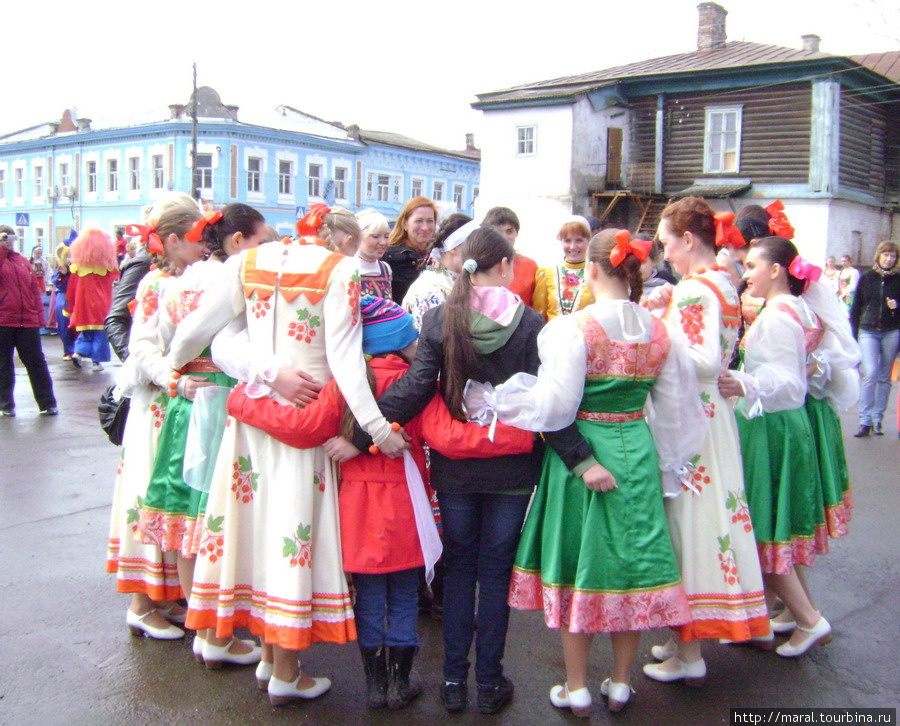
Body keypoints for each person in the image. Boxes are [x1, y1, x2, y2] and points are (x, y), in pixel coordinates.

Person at [227, 294, 535, 709]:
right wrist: (523, 435)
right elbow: (442, 435)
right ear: (397, 340)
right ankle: (401, 682)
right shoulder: (418, 383)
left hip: (357, 507)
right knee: (406, 595)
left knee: (369, 596)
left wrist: (238, 400)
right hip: (408, 506)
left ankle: (375, 686)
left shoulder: (343, 384)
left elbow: (301, 426)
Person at [344, 228, 595, 715]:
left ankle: (453, 682)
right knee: (495, 573)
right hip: (513, 465)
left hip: (455, 465)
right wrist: (581, 459)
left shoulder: (441, 319)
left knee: (458, 571)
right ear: (502, 267)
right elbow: (552, 405)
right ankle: (491, 682)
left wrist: (359, 435)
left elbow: (416, 388)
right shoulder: (532, 324)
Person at [163, 224, 407, 707]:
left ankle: (270, 660)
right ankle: (284, 670)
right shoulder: (338, 271)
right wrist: (378, 430)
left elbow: (199, 334)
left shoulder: (245, 264)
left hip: (253, 423)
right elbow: (344, 360)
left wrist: (174, 363)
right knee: (292, 536)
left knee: (255, 531)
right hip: (306, 421)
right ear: (336, 241)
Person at [479, 228, 703, 715]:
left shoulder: (573, 328)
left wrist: (505, 401)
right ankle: (620, 683)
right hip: (637, 453)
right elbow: (678, 414)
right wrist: (666, 466)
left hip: (584, 459)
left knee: (579, 563)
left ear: (594, 270)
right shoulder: (661, 331)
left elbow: (555, 409)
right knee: (632, 564)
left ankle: (576, 685)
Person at [132, 203, 268, 668]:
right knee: (218, 515)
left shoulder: (176, 283)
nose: (266, 252)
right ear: (236, 243)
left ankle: (202, 626)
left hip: (185, 401)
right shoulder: (235, 278)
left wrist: (174, 376)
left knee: (188, 516)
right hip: (224, 397)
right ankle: (217, 632)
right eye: (260, 243)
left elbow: (158, 345)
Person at [643, 198, 769, 686]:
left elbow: (701, 359)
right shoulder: (723, 282)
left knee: (688, 523)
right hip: (712, 416)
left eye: (668, 241)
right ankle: (683, 639)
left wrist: (654, 334)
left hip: (691, 416)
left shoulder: (696, 288)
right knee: (705, 516)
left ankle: (689, 651)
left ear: (688, 240)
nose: (665, 250)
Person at [718, 237, 833, 658]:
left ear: (776, 270)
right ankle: (787, 613)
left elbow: (790, 383)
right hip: (775, 424)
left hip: (773, 427)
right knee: (770, 529)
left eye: (751, 266)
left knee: (762, 532)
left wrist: (742, 382)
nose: (745, 274)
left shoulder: (779, 317)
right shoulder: (788, 309)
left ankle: (809, 620)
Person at [106, 193, 206, 640]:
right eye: (197, 237)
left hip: (179, 408)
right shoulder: (153, 284)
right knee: (149, 497)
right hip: (157, 409)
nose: (204, 246)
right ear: (171, 240)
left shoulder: (196, 278)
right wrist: (173, 379)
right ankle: (141, 603)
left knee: (173, 502)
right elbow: (142, 348)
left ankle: (165, 598)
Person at [0, 226, 58, 416]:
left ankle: (47, 403)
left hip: (27, 321)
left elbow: (34, 291)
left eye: (11, 237)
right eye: (5, 237)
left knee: (36, 361)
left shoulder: (22, 261)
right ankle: (5, 405)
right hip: (4, 320)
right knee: (3, 363)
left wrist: (39, 317)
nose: (9, 241)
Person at [850, 241, 900, 437]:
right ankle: (865, 420)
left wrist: (897, 306)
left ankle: (878, 418)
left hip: (891, 331)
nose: (889, 259)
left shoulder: (898, 279)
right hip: (868, 330)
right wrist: (853, 336)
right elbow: (856, 308)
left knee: (884, 376)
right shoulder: (867, 278)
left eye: (893, 256)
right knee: (869, 372)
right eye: (886, 255)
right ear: (879, 256)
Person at [402, 214, 472, 329]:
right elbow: (429, 341)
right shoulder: (430, 290)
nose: (477, 253)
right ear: (453, 248)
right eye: (471, 245)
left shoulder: (459, 281)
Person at [64, 229, 119, 371]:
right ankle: (96, 362)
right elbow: (116, 278)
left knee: (85, 332)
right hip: (101, 305)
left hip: (83, 306)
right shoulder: (107, 268)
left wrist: (69, 308)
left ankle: (78, 352)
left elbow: (71, 289)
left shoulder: (77, 268)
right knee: (100, 335)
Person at [533, 216, 594, 321]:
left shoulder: (596, 273)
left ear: (589, 241)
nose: (572, 246)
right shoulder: (547, 273)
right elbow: (539, 316)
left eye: (579, 240)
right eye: (567, 241)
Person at [383, 196, 438, 304]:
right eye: (419, 221)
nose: (425, 227)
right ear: (405, 224)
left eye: (430, 221)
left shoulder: (439, 255)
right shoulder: (389, 256)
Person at [483, 206, 538, 307]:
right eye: (498, 232)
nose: (504, 237)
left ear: (517, 233)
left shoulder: (530, 266)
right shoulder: (480, 265)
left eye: (509, 231)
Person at [356, 210, 393, 299]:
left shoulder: (385, 269)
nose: (383, 242)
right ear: (359, 236)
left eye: (386, 237)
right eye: (375, 236)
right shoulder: (347, 267)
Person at [52, 244, 76, 360]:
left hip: (76, 299)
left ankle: (78, 349)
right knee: (63, 325)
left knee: (77, 325)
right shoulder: (59, 271)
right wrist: (65, 274)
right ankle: (68, 350)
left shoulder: (78, 270)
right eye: (67, 256)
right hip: (64, 299)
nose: (69, 259)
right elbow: (60, 285)